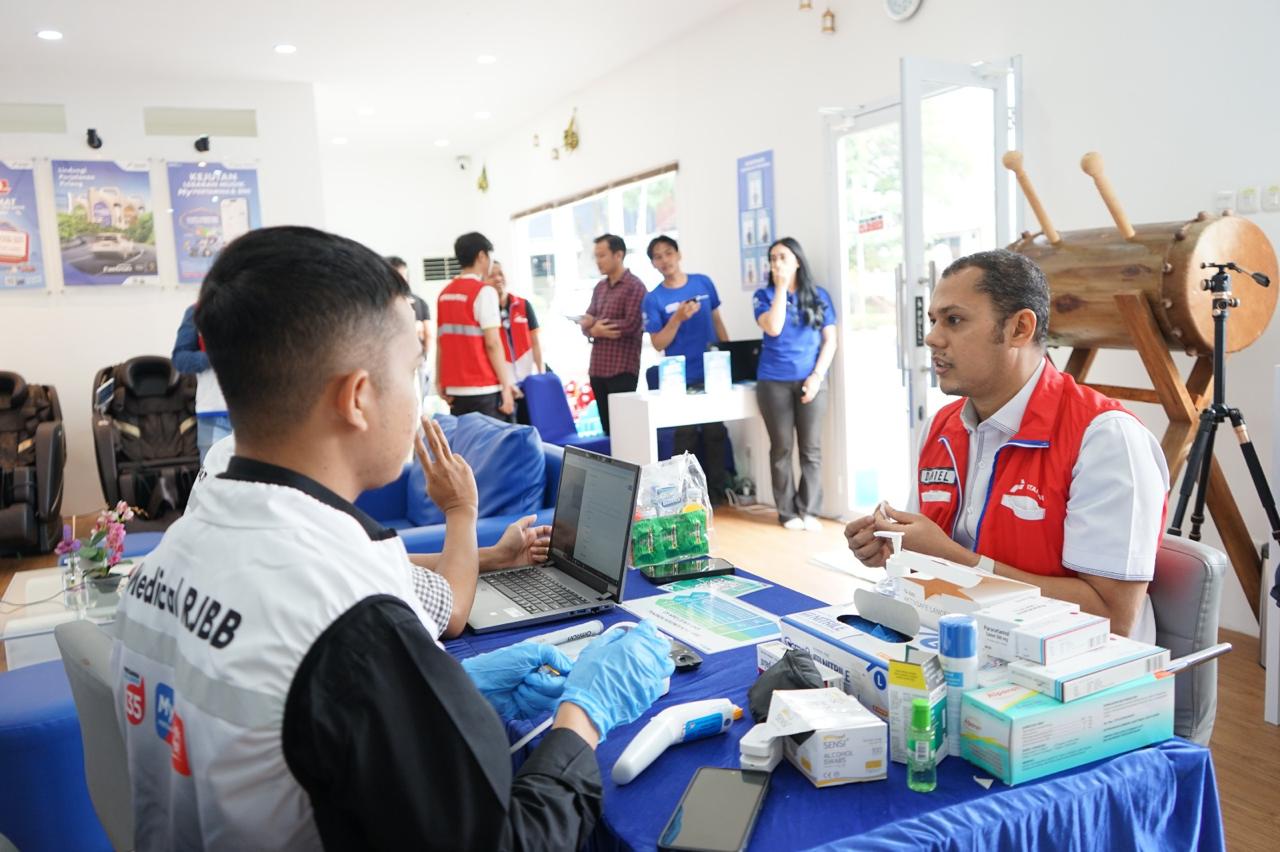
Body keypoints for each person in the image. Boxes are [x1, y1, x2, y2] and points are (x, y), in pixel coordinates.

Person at [111, 225, 673, 850]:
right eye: (413, 371)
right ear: (357, 398)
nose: (422, 398)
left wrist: (448, 689)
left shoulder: (171, 556)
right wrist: (583, 716)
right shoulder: (346, 619)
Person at [843, 249, 1168, 640]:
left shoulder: (1105, 439)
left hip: (1075, 671)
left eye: (954, 320)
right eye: (933, 321)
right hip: (962, 645)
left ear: (1019, 329)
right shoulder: (941, 428)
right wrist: (896, 552)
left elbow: (1113, 618)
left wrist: (951, 557)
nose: (931, 337)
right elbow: (928, 564)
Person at [753, 237, 837, 531]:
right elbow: (773, 327)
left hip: (811, 380)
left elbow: (830, 341)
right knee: (781, 449)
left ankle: (810, 509)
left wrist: (817, 377)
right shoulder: (763, 295)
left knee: (811, 449)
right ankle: (787, 512)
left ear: (797, 261)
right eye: (773, 258)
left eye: (783, 257)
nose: (777, 263)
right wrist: (779, 287)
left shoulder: (819, 296)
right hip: (773, 382)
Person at [643, 235, 731, 501]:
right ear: (653, 264)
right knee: (686, 437)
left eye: (668, 253)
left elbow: (717, 320)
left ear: (678, 254)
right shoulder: (654, 298)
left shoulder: (703, 282)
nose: (665, 260)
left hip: (713, 371)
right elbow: (658, 343)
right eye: (658, 257)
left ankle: (718, 493)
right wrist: (678, 318)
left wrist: (729, 356)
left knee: (716, 432)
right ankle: (687, 496)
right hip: (679, 377)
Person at [436, 232, 515, 419]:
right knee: (491, 446)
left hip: (455, 390)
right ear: (481, 256)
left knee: (465, 446)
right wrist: (506, 386)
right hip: (484, 388)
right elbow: (493, 344)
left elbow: (441, 342)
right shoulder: (484, 292)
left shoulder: (444, 294)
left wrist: (440, 380)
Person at [579, 234, 646, 435]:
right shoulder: (600, 287)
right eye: (596, 256)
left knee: (625, 432)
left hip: (622, 370)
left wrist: (596, 326)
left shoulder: (635, 286)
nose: (598, 261)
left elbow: (632, 324)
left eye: (602, 255)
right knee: (608, 432)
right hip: (598, 369)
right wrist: (593, 329)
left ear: (618, 255)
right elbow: (586, 321)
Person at [485, 259, 544, 423]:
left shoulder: (523, 305)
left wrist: (541, 372)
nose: (498, 279)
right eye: (492, 275)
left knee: (531, 425)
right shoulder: (485, 310)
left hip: (527, 379)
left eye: (500, 274)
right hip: (502, 384)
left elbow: (536, 341)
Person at [171, 303, 230, 462]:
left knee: (258, 483)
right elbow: (180, 359)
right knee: (213, 482)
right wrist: (214, 356)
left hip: (258, 415)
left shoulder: (261, 305)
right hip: (215, 415)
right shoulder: (197, 311)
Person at [387, 255, 434, 399]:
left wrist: (426, 360)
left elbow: (429, 335)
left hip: (417, 362)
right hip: (392, 364)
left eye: (404, 276)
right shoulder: (382, 305)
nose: (402, 281)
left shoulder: (419, 303)